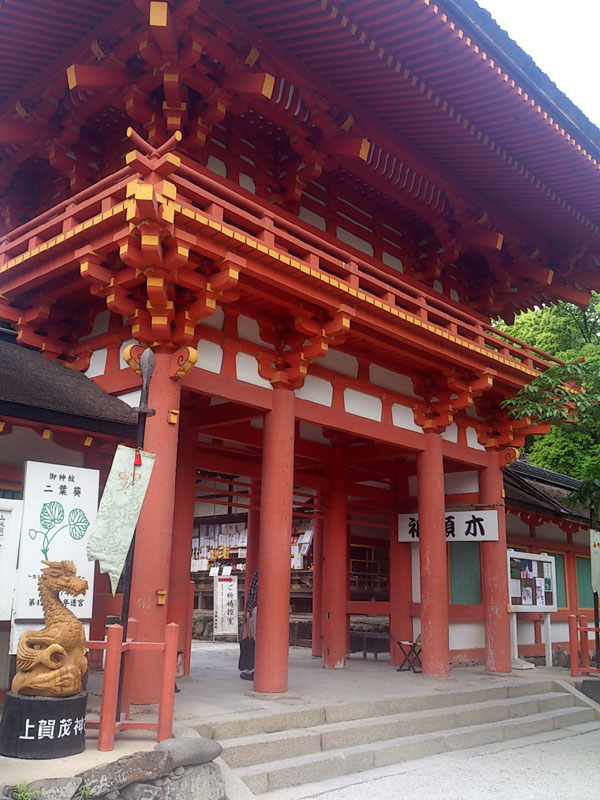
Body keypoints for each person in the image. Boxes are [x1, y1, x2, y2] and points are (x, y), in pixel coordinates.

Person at [240, 569, 258, 681]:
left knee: (257, 640)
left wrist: (247, 609)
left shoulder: (258, 574)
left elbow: (253, 592)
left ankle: (254, 668)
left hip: (259, 610)